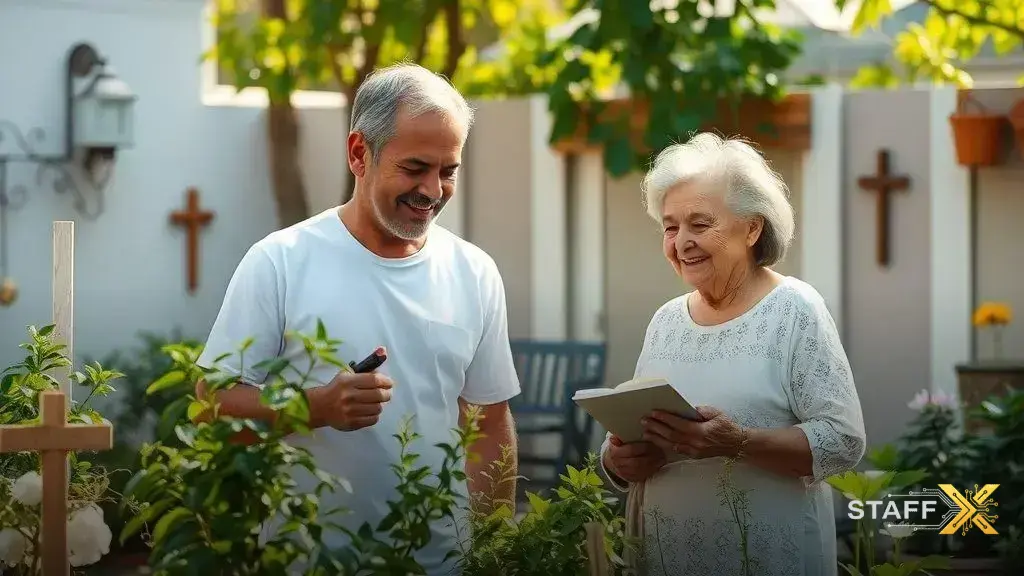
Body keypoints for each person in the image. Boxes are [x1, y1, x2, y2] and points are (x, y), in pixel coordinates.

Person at [195, 63, 521, 574]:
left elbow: (488, 424)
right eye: (415, 168)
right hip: (310, 563)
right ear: (358, 153)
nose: (433, 190)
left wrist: (493, 553)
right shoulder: (280, 260)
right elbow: (210, 405)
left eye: (448, 170)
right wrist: (314, 408)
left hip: (440, 565)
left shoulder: (475, 272)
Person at [601, 133, 866, 576]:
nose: (681, 241)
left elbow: (843, 442)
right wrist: (618, 460)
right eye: (670, 227)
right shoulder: (666, 320)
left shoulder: (794, 309)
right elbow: (629, 437)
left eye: (699, 224)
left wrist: (738, 443)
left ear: (751, 228)